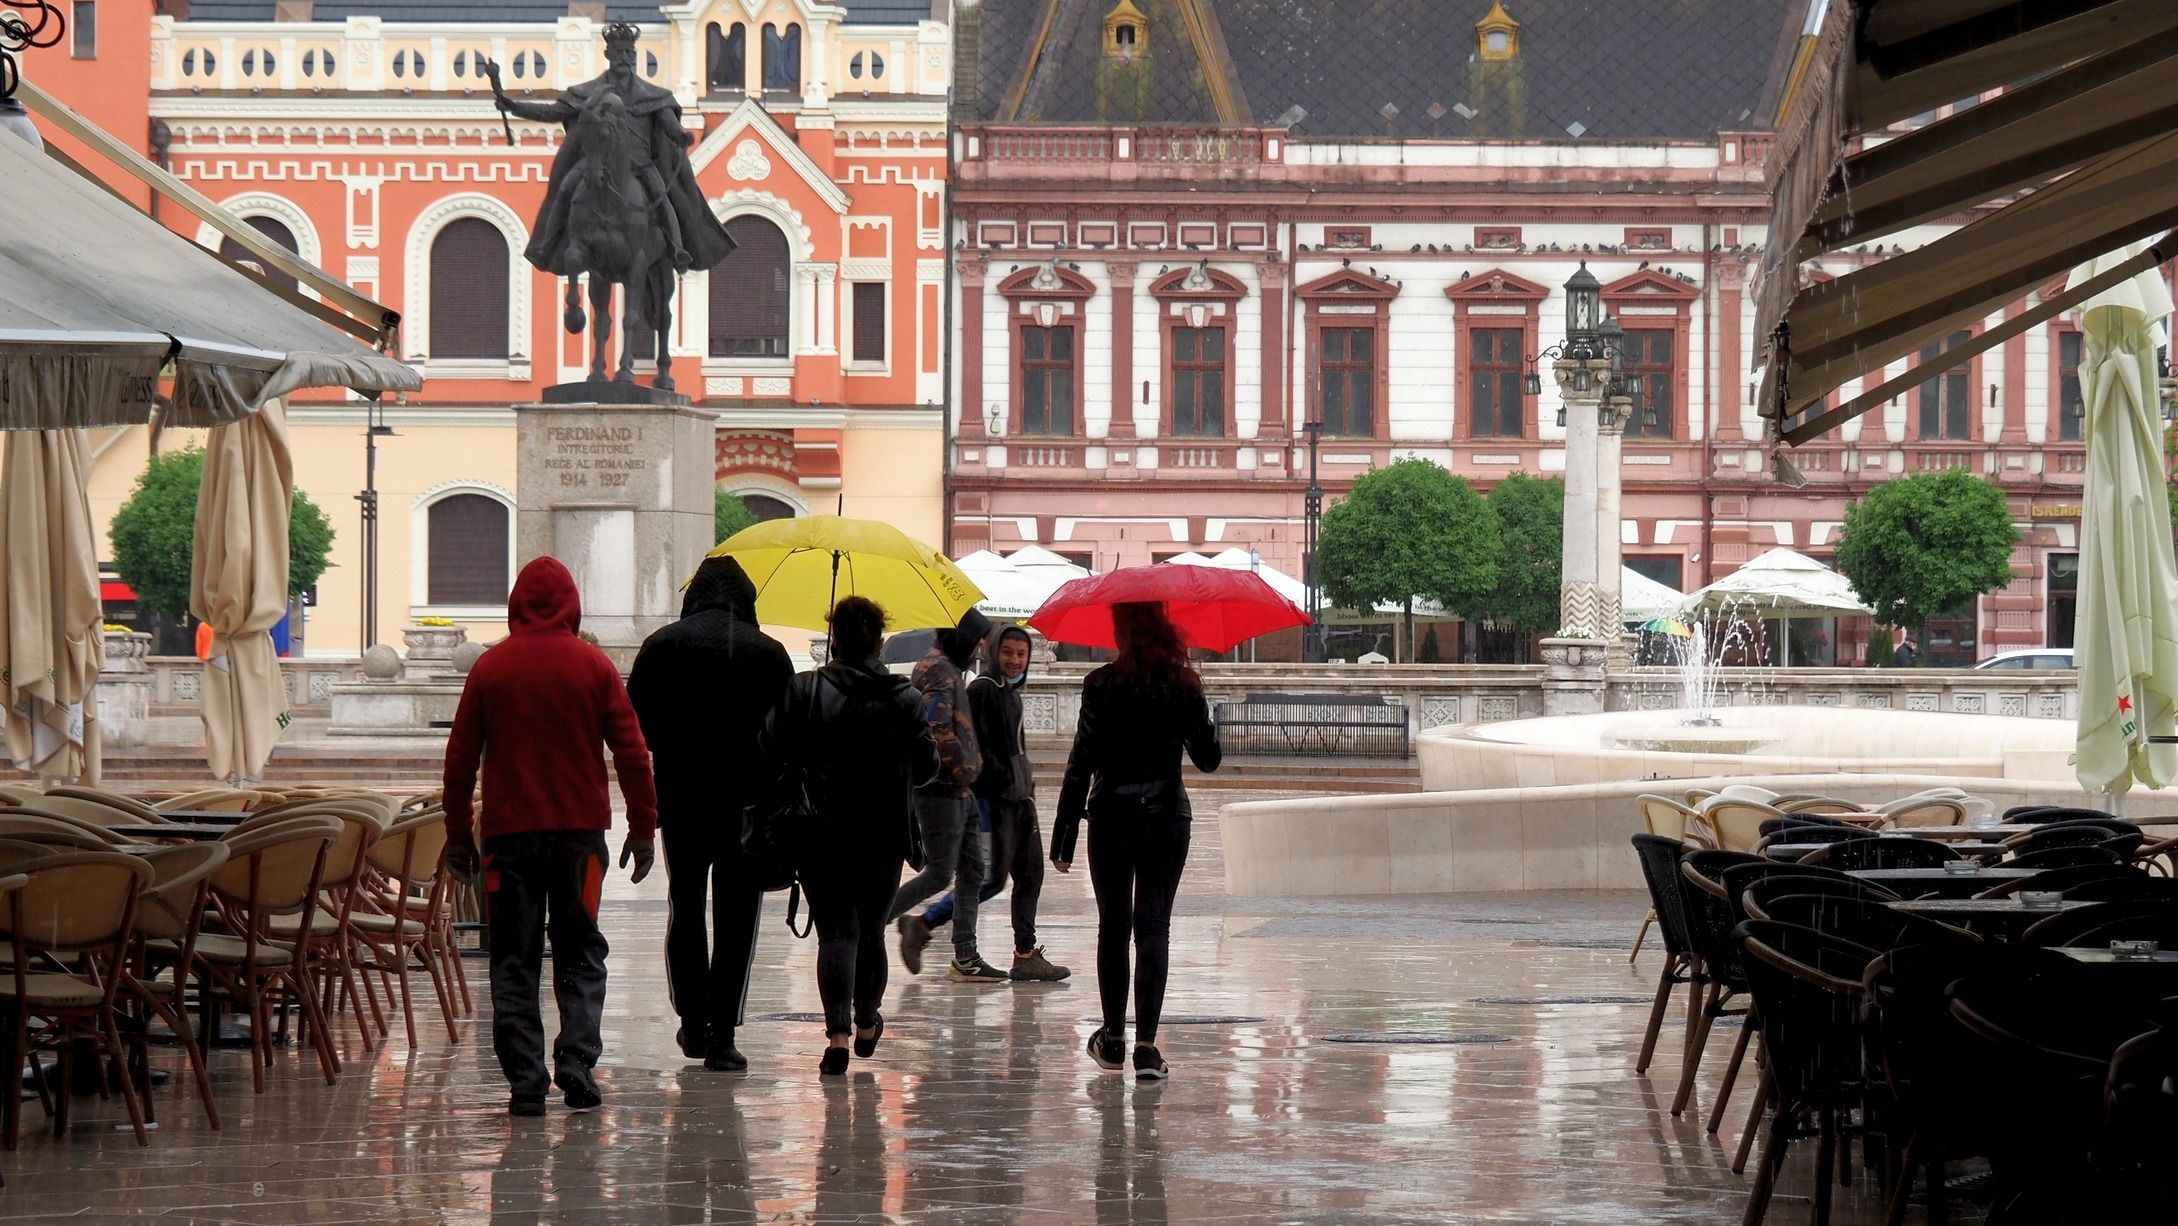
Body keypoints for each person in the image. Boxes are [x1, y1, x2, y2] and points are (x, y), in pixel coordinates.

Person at [442, 556, 659, 1117]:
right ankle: (577, 1059)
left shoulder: (490, 669)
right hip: (580, 843)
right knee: (581, 946)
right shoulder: (594, 666)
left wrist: (459, 834)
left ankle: (525, 1080)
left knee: (513, 955)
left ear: (515, 605)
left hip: (507, 843)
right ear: (572, 605)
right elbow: (633, 753)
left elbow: (459, 760)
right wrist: (642, 828)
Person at [758, 597, 938, 1077]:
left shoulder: (805, 689)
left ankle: (837, 1034)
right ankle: (866, 1022)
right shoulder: (905, 698)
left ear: (833, 637)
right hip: (884, 833)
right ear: (879, 641)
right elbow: (927, 768)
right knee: (871, 930)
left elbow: (769, 748)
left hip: (820, 829)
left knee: (835, 930)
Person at [626, 557, 791, 1072]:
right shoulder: (768, 653)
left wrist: (672, 752)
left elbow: (635, 724)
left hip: (682, 798)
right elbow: (787, 736)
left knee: (686, 905)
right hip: (747, 805)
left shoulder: (662, 646)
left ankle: (693, 1020)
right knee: (738, 915)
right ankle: (723, 1033)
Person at [1052, 602, 1221, 1081]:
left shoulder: (1100, 684)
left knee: (1113, 925)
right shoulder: (1184, 684)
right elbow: (1208, 759)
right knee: (1153, 927)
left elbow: (1081, 761)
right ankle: (1146, 1047)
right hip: (1167, 815)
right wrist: (1200, 712)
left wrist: (1064, 835)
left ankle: (1112, 1039)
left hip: (1112, 816)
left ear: (1120, 631)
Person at [914, 623, 1069, 982]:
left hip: (1019, 800)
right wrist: (1008, 783)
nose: (1015, 660)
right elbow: (980, 748)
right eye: (1008, 652)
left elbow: (1017, 749)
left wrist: (1026, 787)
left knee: (1030, 874)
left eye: (1021, 654)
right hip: (994, 802)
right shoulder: (983, 690)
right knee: (990, 879)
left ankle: (1025, 953)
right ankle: (924, 923)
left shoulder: (1009, 692)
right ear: (993, 652)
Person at [891, 609, 1013, 985]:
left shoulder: (946, 668)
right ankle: (873, 922)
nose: (978, 648)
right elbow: (936, 727)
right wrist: (961, 766)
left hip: (962, 790)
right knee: (940, 872)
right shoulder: (939, 671)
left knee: (973, 871)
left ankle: (966, 954)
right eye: (975, 640)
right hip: (942, 789)